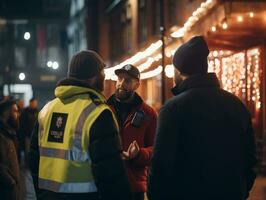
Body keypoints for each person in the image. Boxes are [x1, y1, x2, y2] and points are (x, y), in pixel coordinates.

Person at [147, 36, 257, 200]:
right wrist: (241, 189)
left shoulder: (172, 109)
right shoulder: (236, 105)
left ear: (179, 71)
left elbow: (160, 166)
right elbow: (250, 158)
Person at [29, 50, 132, 200]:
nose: (104, 76)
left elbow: (33, 159)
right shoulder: (98, 113)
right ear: (93, 77)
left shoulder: (47, 110)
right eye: (102, 72)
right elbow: (110, 172)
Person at [107, 64, 157, 200]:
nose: (121, 84)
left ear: (137, 85)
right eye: (119, 79)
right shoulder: (103, 110)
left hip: (134, 188)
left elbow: (156, 149)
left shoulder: (149, 114)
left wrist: (138, 154)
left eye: (127, 81)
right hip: (107, 184)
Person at [0, 99, 21, 200]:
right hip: (5, 191)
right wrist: (11, 182)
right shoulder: (2, 135)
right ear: (6, 113)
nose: (18, 115)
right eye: (15, 111)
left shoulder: (9, 133)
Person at [18, 97, 39, 165]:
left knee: (35, 150)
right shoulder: (25, 112)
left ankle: (33, 163)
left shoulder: (38, 112)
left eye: (35, 103)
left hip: (36, 135)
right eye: (32, 103)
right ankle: (27, 164)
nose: (34, 105)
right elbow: (22, 124)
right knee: (27, 150)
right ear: (30, 103)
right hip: (27, 135)